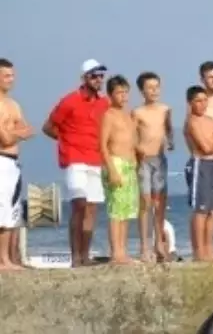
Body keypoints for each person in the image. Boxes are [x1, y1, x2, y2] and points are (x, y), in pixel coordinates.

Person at [43, 59, 110, 267]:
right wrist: (66, 140)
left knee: (91, 208)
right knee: (79, 204)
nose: (98, 79)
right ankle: (75, 257)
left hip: (96, 159)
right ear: (84, 78)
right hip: (74, 159)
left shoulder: (104, 102)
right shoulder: (70, 101)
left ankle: (85, 255)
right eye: (94, 75)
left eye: (101, 76)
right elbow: (48, 127)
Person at [132, 72, 172, 263]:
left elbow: (168, 128)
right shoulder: (137, 112)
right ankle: (144, 246)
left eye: (157, 87)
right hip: (143, 161)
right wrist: (137, 150)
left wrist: (170, 141)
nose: (154, 91)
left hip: (160, 159)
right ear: (142, 91)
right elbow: (132, 135)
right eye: (150, 87)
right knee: (145, 204)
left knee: (160, 204)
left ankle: (159, 244)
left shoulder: (165, 109)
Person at [184, 85, 213, 262]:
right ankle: (199, 250)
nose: (202, 104)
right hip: (199, 164)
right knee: (201, 210)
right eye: (198, 101)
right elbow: (205, 146)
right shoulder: (191, 122)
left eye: (204, 100)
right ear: (190, 103)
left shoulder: (210, 120)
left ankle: (210, 247)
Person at [99, 75, 139, 265]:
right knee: (116, 210)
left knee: (126, 211)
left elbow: (132, 142)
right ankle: (116, 252)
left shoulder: (128, 115)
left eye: (125, 92)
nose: (123, 96)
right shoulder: (109, 115)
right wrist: (111, 169)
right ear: (110, 95)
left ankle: (123, 251)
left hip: (129, 165)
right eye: (119, 92)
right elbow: (103, 145)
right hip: (115, 163)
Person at [0, 58, 34, 270]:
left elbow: (27, 130)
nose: (11, 80)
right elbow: (5, 139)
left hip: (13, 162)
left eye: (12, 75)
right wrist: (16, 133)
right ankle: (3, 260)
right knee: (2, 210)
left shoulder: (13, 104)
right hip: (2, 159)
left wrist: (14, 132)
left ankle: (9, 258)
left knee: (12, 210)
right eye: (6, 75)